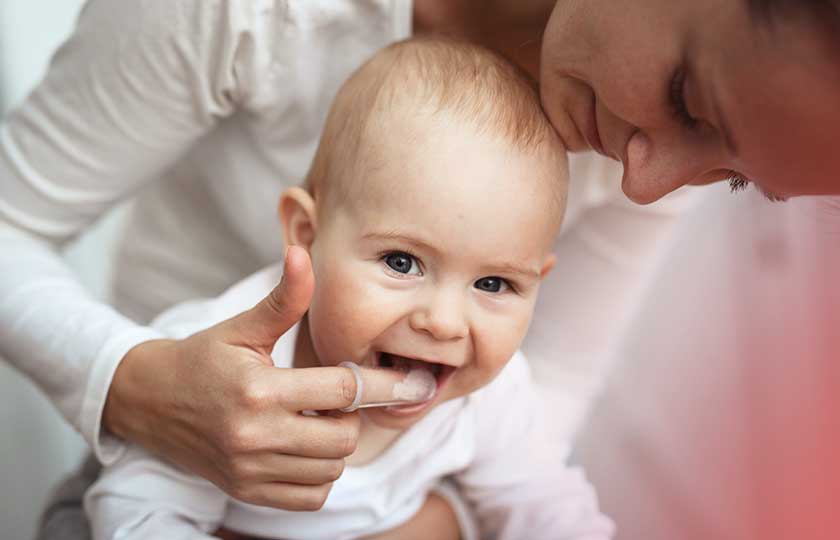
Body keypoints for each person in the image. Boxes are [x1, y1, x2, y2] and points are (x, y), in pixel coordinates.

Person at [0, 0, 837, 538]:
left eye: (736, 176)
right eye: (688, 98)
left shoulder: (483, 397)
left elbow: (543, 461)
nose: (647, 186)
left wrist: (442, 526)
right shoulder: (249, 17)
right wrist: (135, 384)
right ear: (303, 230)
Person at [84, 37, 613, 540]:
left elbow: (550, 509)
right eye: (402, 262)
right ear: (305, 235)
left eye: (493, 283)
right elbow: (135, 518)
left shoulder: (491, 396)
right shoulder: (217, 370)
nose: (445, 322)